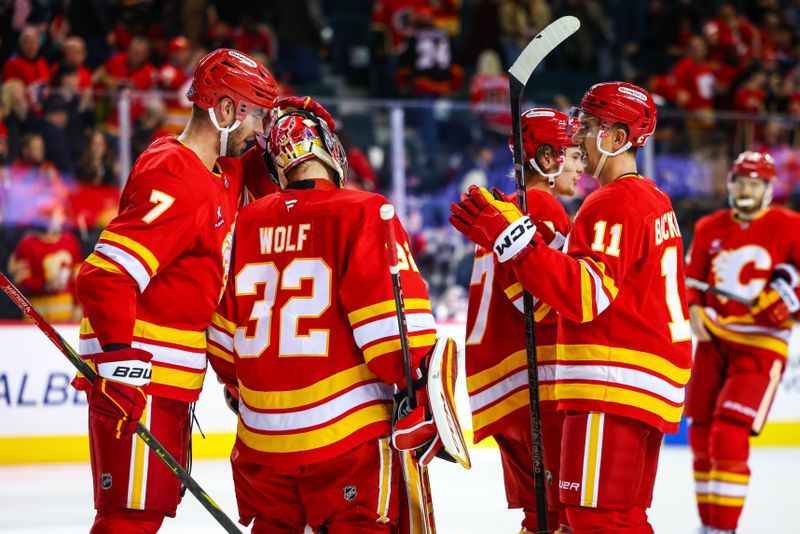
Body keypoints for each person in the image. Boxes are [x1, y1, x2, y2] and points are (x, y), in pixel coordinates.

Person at [450, 81, 693, 533]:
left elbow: (583, 297)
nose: (577, 138)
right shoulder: (653, 199)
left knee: (595, 520)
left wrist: (514, 240)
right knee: (616, 517)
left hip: (611, 381)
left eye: (587, 125)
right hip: (637, 380)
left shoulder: (611, 201)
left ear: (617, 138)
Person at [205, 100, 455, 532]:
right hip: (345, 438)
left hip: (261, 442)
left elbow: (224, 340)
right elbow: (394, 335)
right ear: (329, 150)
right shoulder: (363, 210)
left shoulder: (244, 222)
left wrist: (245, 392)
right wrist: (418, 391)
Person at [72, 48, 279, 533]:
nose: (258, 131)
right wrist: (120, 369)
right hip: (141, 377)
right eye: (255, 115)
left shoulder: (217, 171)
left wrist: (298, 129)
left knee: (152, 507)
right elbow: (106, 275)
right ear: (226, 111)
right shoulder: (177, 177)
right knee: (130, 517)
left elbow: (259, 176)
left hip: (171, 383)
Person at [463, 108, 581, 533]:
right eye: (572, 154)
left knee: (539, 514)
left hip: (500, 386)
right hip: (538, 385)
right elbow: (546, 302)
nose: (580, 165)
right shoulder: (543, 207)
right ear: (548, 160)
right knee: (567, 515)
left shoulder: (504, 209)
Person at [684, 150, 800, 534]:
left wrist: (784, 300)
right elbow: (692, 280)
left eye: (755, 182)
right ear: (730, 184)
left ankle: (725, 527)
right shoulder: (708, 226)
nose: (746, 188)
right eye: (741, 181)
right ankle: (708, 526)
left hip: (761, 346)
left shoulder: (791, 225)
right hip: (713, 341)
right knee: (701, 433)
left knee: (728, 433)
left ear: (769, 188)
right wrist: (695, 309)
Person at [7, 205, 82, 321]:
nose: (63, 219)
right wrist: (44, 285)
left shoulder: (70, 241)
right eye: (59, 215)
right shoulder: (27, 245)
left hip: (67, 317)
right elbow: (20, 280)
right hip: (35, 318)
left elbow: (77, 278)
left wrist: (79, 306)